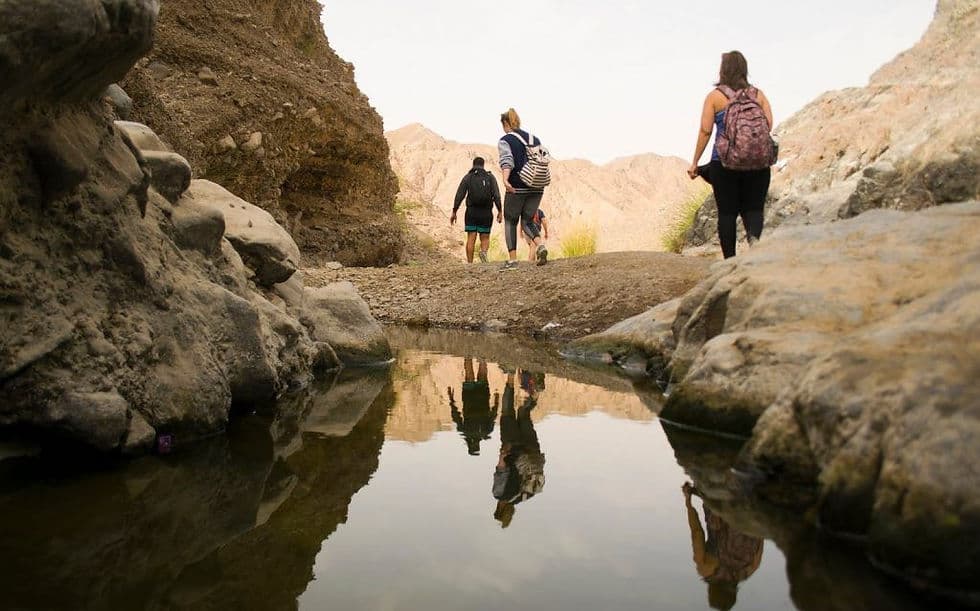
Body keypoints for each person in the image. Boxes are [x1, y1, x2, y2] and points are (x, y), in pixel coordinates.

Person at [687, 51, 774, 259]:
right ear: (744, 69)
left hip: (724, 164)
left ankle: (730, 263)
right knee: (754, 210)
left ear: (722, 70)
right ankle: (756, 256)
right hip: (758, 164)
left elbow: (705, 131)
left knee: (727, 213)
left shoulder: (715, 97)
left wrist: (695, 162)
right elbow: (768, 125)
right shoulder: (758, 95)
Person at [683, 482, 763, 610]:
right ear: (711, 592)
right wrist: (688, 502)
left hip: (748, 503)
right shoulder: (706, 569)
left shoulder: (750, 568)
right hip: (718, 499)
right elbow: (697, 533)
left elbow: (760, 534)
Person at [492, 368, 546, 527]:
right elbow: (502, 469)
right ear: (499, 508)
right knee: (507, 412)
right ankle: (509, 374)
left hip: (532, 451)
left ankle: (534, 393)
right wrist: (502, 455)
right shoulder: (499, 494)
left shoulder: (524, 496)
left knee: (523, 413)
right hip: (513, 447)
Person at [498, 108, 548, 269]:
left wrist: (505, 179)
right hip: (538, 186)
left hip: (517, 186)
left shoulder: (506, 139)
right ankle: (540, 246)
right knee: (527, 220)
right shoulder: (535, 138)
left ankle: (512, 260)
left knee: (511, 221)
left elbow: (507, 160)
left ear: (506, 123)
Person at [451, 157, 502, 263]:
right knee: (485, 238)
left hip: (471, 212)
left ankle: (470, 263)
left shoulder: (468, 177)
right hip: (486, 212)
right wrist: (500, 211)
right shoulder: (490, 177)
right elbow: (496, 195)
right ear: (483, 165)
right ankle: (483, 254)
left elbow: (459, 195)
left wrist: (454, 211)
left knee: (471, 238)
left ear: (473, 165)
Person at [447, 357, 499, 456]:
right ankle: (468, 354)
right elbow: (456, 415)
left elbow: (493, 415)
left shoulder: (486, 432)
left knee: (482, 374)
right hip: (469, 397)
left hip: (482, 398)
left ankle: (482, 355)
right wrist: (451, 399)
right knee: (469, 374)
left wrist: (496, 401)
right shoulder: (465, 431)